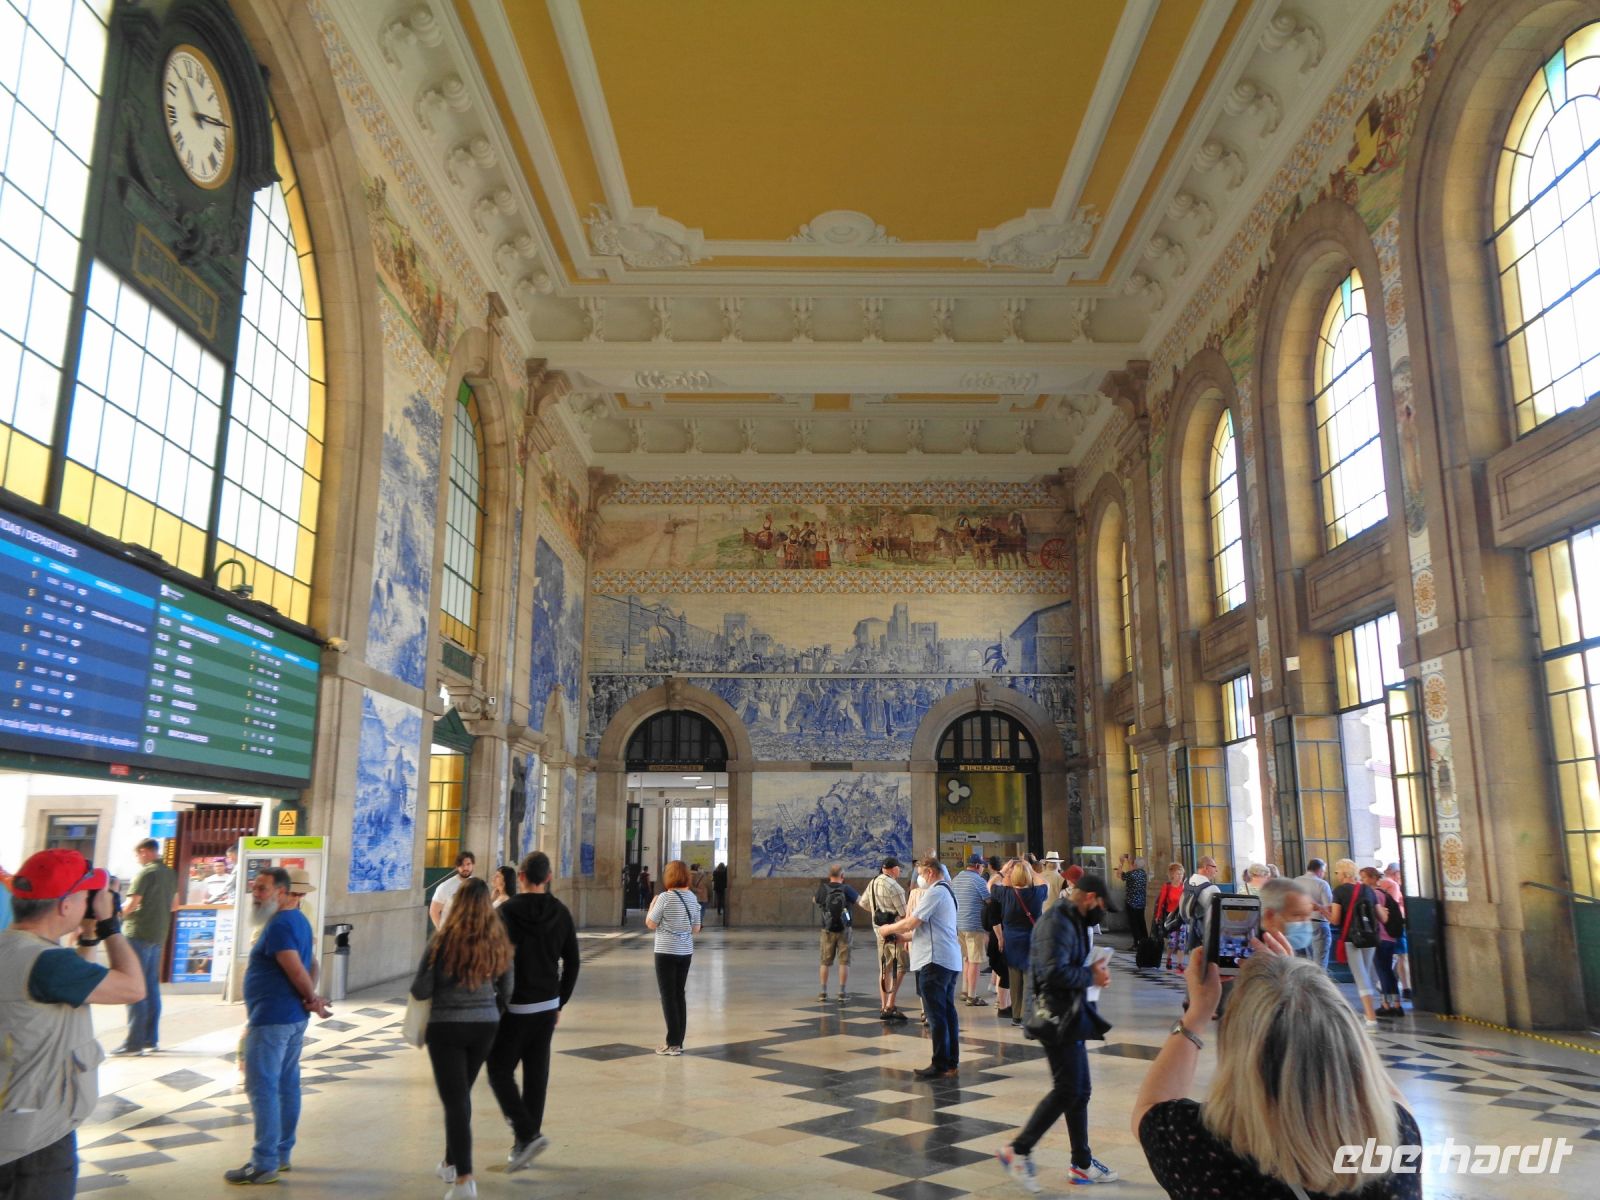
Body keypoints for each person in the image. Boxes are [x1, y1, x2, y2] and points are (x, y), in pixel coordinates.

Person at [1131, 939, 1421, 1199]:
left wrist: (1198, 1013)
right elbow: (1384, 1093)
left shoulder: (1200, 1145)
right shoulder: (1395, 1139)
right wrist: (1298, 981)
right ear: (1349, 1039)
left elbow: (1150, 1106)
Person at [0, 849, 145, 1197]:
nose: (88, 903)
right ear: (65, 906)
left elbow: (76, 985)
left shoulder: (15, 949)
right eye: (84, 896)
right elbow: (134, 987)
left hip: (13, 1121)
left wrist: (90, 938)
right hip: (35, 1143)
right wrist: (111, 927)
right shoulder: (48, 963)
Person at [997, 873, 1120, 1190]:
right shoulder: (1058, 922)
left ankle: (1081, 1163)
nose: (1102, 913)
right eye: (1103, 905)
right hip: (1054, 1016)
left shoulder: (1073, 918)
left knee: (1081, 1091)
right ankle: (1017, 1150)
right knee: (1068, 1090)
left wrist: (1091, 971)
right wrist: (1090, 975)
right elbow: (1052, 971)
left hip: (1069, 1013)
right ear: (1090, 897)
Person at [227, 866, 332, 1185]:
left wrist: (311, 997)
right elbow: (310, 964)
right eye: (255, 888)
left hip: (273, 1020)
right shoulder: (297, 920)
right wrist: (309, 999)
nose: (255, 895)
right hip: (289, 1018)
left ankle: (264, 1163)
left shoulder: (280, 924)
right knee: (285, 1086)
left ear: (283, 894)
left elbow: (295, 967)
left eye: (262, 889)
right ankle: (281, 1154)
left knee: (262, 1088)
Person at [412, 877, 512, 1199]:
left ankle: (464, 1179)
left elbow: (421, 988)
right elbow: (508, 987)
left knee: (455, 1101)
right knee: (462, 1094)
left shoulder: (442, 940)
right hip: (485, 1026)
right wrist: (490, 1008)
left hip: (447, 1027)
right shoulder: (497, 939)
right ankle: (450, 1161)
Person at [489, 851, 580, 1171]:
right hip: (546, 1006)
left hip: (516, 1006)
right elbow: (573, 962)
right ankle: (525, 1143)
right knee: (536, 1075)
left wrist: (497, 999)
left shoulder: (506, 912)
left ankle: (527, 1135)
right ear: (549, 878)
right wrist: (560, 1000)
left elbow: (494, 960)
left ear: (522, 878)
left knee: (499, 1070)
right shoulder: (561, 912)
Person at [880, 855, 961, 1079]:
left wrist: (887, 929)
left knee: (937, 1015)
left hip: (934, 961)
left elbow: (912, 921)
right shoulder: (947, 891)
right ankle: (950, 1062)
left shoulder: (935, 892)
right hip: (947, 959)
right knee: (947, 1012)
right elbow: (922, 929)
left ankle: (940, 1064)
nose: (919, 878)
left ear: (930, 873)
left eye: (921, 873)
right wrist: (900, 937)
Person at [116, 837, 178, 1057]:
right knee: (151, 987)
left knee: (134, 986)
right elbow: (174, 905)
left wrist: (115, 916)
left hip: (137, 933)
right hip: (158, 935)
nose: (138, 859)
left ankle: (134, 1042)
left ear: (144, 852)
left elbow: (132, 903)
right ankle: (151, 1038)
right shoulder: (170, 873)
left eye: (137, 855)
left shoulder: (145, 873)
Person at [645, 860, 701, 1054]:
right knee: (679, 994)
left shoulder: (664, 898)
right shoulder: (692, 898)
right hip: (685, 952)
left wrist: (652, 906)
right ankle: (679, 1041)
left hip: (665, 952)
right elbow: (696, 928)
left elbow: (651, 924)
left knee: (668, 997)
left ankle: (673, 1043)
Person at [1330, 859, 1385, 1029]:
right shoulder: (1367, 889)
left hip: (1352, 938)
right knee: (1365, 974)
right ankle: (1368, 1013)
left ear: (1344, 873)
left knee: (1360, 976)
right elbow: (1381, 917)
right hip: (1370, 937)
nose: (1337, 876)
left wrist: (1324, 911)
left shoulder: (1339, 891)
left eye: (1337, 872)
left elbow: (1335, 919)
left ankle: (1371, 1017)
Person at [997, 861, 1048, 1028]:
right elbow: (1044, 882)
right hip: (1030, 940)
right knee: (1028, 978)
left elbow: (990, 884)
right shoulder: (1037, 893)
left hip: (1012, 941)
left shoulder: (1006, 893)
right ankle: (1026, 1015)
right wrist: (1031, 870)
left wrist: (1003, 871)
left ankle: (1016, 1016)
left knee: (1014, 978)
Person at [860, 856, 909, 1022]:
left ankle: (883, 1006)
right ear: (892, 869)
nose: (899, 871)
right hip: (895, 932)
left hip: (879, 932)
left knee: (884, 969)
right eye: (898, 868)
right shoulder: (895, 887)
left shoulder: (873, 882)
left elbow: (863, 903)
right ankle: (890, 1004)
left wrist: (876, 912)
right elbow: (904, 914)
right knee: (901, 966)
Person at [1363, 867, 1406, 1017]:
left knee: (1383, 972)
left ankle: (1387, 1005)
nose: (1362, 881)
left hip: (1381, 937)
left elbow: (1378, 917)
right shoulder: (1383, 893)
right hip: (1390, 937)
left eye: (1364, 878)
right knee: (1387, 971)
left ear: (1372, 878)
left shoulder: (1374, 894)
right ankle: (1396, 1004)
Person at [813, 863, 860, 1001]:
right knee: (844, 962)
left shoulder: (823, 888)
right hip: (845, 929)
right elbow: (861, 901)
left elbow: (815, 900)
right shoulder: (847, 889)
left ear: (829, 876)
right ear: (843, 876)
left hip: (827, 929)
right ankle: (842, 992)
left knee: (825, 961)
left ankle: (823, 992)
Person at [951, 851, 990, 1006]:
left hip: (958, 925)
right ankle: (972, 996)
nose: (983, 869)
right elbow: (989, 901)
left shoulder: (956, 879)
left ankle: (965, 990)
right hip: (974, 926)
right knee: (975, 961)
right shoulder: (978, 881)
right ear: (977, 866)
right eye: (982, 866)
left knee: (966, 959)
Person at [1257, 877, 1316, 956]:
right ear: (1269, 917)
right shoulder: (1250, 955)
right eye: (1297, 915)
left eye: (1308, 915)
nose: (1306, 923)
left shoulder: (1302, 952)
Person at [983, 863, 1012, 1015]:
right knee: (1005, 972)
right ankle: (1003, 1006)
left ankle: (1004, 1004)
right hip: (1001, 938)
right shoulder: (1007, 895)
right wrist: (1001, 938)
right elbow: (995, 920)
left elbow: (991, 883)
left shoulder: (999, 894)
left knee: (1004, 972)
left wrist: (1002, 871)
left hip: (999, 938)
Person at [1296, 857, 1335, 969]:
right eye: (1324, 871)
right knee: (1319, 963)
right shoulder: (1322, 884)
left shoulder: (1295, 882)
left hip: (1298, 925)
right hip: (1318, 924)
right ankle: (1317, 985)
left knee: (1302, 963)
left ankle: (1302, 986)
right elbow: (1329, 907)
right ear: (1319, 870)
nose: (1324, 874)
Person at [1382, 863, 1412, 1000]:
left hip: (1384, 925)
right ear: (1396, 873)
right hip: (1396, 924)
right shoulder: (1392, 885)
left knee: (1391, 957)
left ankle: (1385, 985)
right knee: (1402, 955)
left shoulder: (1380, 884)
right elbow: (1393, 905)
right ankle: (1406, 988)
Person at [1150, 862, 1186, 969]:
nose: (1180, 876)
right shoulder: (1167, 887)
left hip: (1182, 917)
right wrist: (1158, 916)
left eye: (1181, 874)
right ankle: (1169, 958)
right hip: (1171, 918)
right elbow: (1161, 902)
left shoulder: (1184, 887)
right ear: (1172, 875)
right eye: (1178, 873)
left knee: (1182, 941)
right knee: (1172, 941)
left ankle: (1180, 963)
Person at [430, 852, 476, 929]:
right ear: (457, 867)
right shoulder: (445, 887)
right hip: (452, 934)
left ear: (473, 865)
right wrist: (442, 932)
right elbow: (434, 911)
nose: (465, 868)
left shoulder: (478, 885)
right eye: (462, 865)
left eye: (468, 864)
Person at [1116, 854, 1149, 943]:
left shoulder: (1131, 874)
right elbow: (1132, 871)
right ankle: (1144, 941)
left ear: (1135, 865)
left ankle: (1137, 943)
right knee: (1141, 922)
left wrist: (1121, 863)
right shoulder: (1143, 874)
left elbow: (1119, 875)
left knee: (1134, 923)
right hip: (1141, 902)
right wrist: (1130, 862)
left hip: (1131, 902)